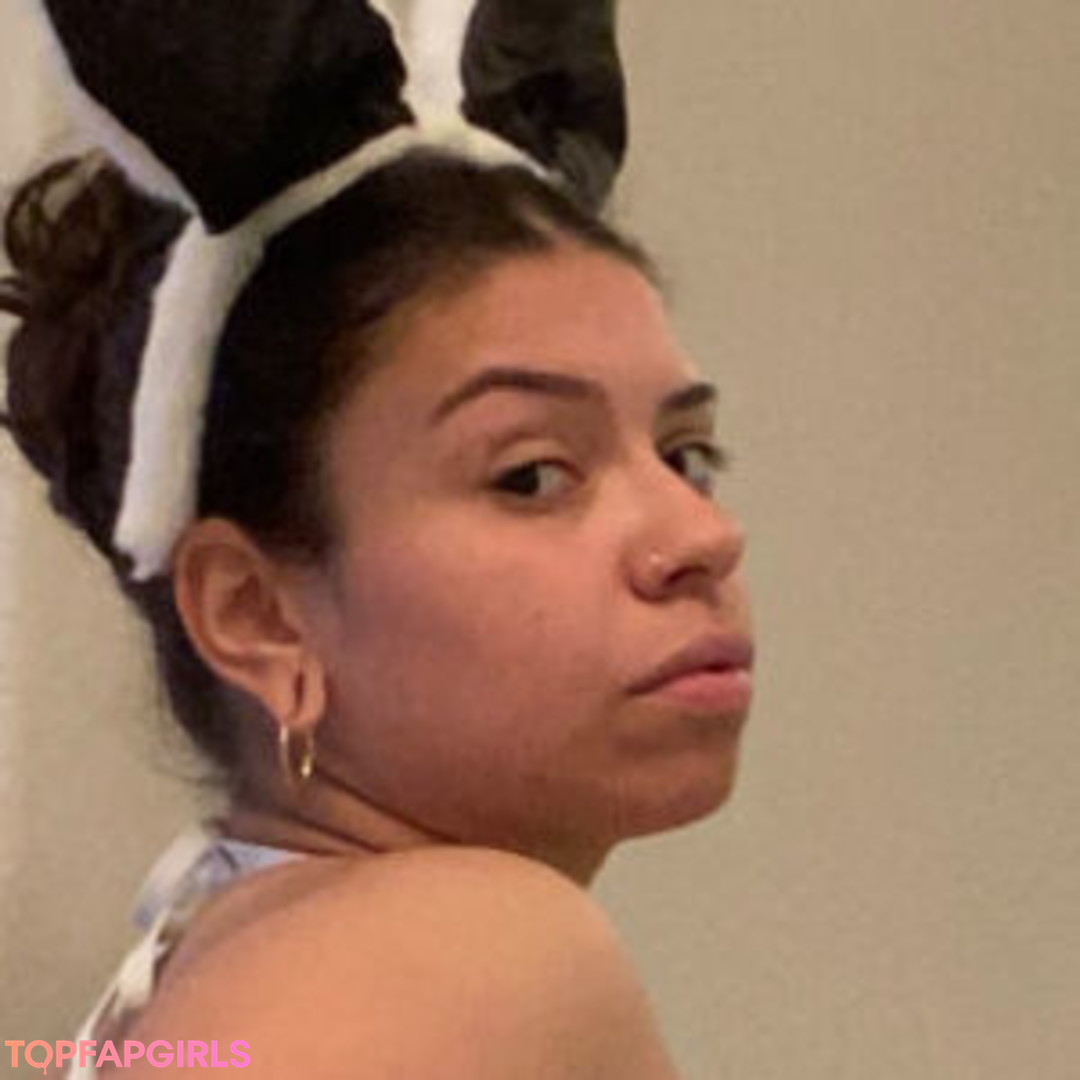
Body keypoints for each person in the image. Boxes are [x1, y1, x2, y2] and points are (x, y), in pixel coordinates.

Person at [1, 3, 755, 1077]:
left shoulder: (227, 950)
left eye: (687, 456)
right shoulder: (472, 950)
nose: (699, 535)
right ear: (258, 617)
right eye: (532, 475)